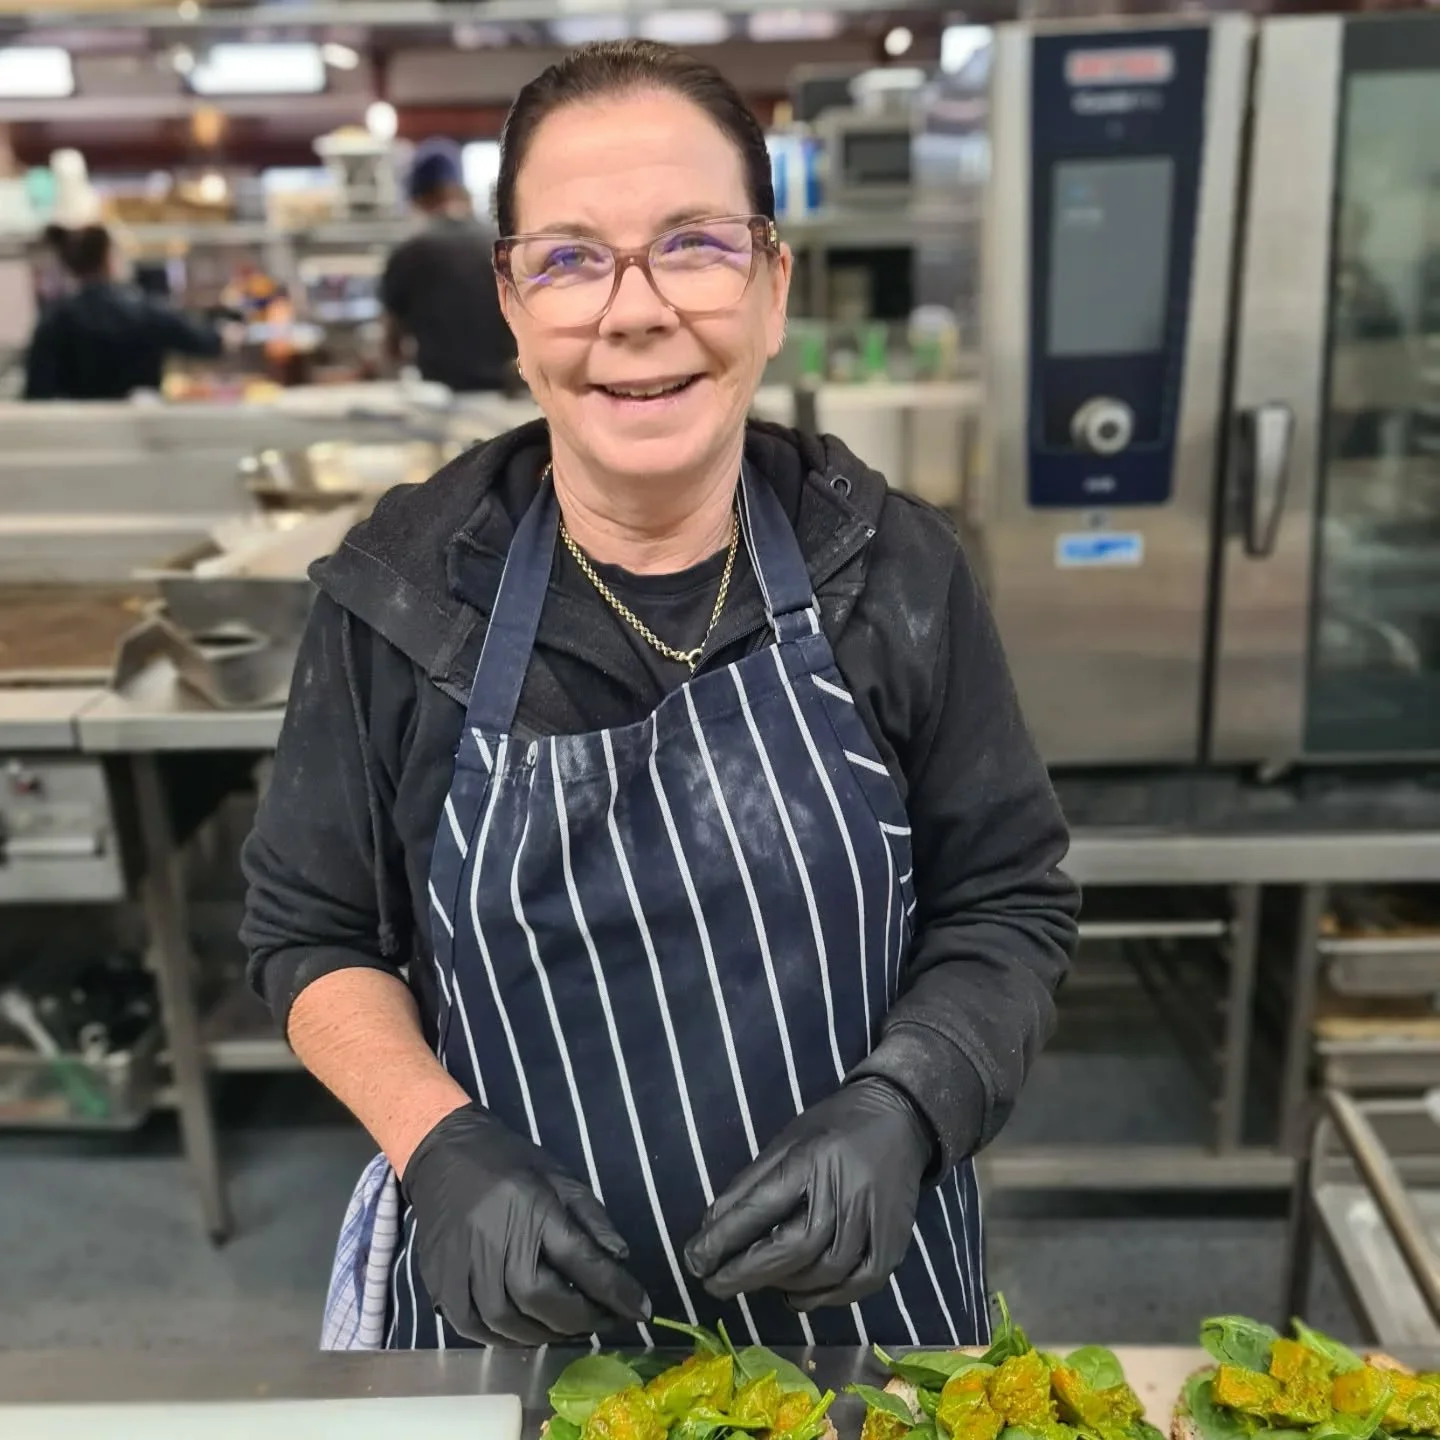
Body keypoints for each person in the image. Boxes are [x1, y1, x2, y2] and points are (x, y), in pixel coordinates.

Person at [241, 39, 1079, 1352]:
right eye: (570, 258)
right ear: (512, 302)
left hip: (870, 1323)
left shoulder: (893, 568)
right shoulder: (403, 590)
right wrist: (437, 1144)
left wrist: (909, 1107)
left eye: (693, 244)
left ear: (770, 284)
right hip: (510, 1323)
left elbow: (1007, 902)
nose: (634, 312)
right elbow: (310, 931)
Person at [24, 224, 226, 401]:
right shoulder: (144, 309)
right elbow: (206, 342)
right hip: (138, 433)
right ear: (109, 259)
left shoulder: (54, 319)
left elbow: (37, 393)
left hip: (78, 437)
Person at [380, 138, 516, 393]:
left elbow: (392, 341)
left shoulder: (410, 252)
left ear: (419, 198)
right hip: (511, 391)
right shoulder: (500, 244)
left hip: (440, 397)